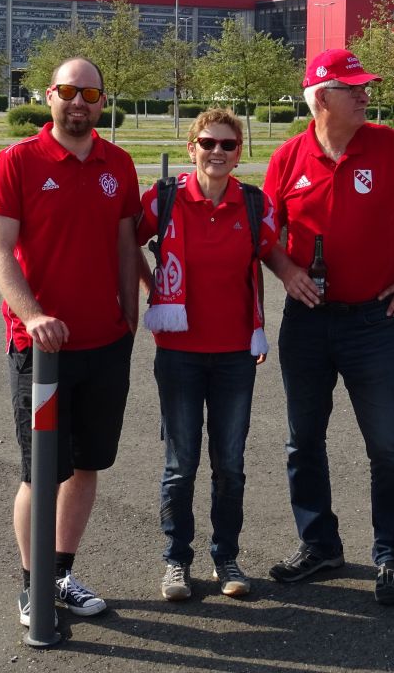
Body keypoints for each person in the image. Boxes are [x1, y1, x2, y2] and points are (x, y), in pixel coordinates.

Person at [261, 47, 394, 606]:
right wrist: (287, 270)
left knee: (386, 444)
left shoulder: (388, 146)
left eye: (365, 87)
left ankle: (391, 555)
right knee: (304, 441)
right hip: (307, 323)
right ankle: (319, 545)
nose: (366, 95)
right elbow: (266, 236)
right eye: (354, 88)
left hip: (374, 321)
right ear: (322, 98)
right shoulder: (287, 158)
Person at [0, 57, 140, 628]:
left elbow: (127, 243)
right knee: (41, 472)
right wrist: (33, 315)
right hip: (40, 348)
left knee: (87, 465)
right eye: (68, 91)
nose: (80, 102)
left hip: (105, 342)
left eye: (90, 92)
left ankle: (61, 573)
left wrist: (131, 311)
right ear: (48, 96)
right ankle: (34, 586)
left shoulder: (117, 163)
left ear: (102, 101)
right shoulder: (18, 162)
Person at [136, 108, 279, 602]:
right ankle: (176, 562)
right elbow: (124, 240)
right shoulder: (165, 198)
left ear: (240, 153)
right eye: (208, 143)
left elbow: (272, 254)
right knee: (181, 464)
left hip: (237, 354)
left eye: (228, 145)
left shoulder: (255, 204)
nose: (217, 152)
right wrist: (151, 285)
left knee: (231, 464)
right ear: (191, 147)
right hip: (179, 353)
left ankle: (226, 556)